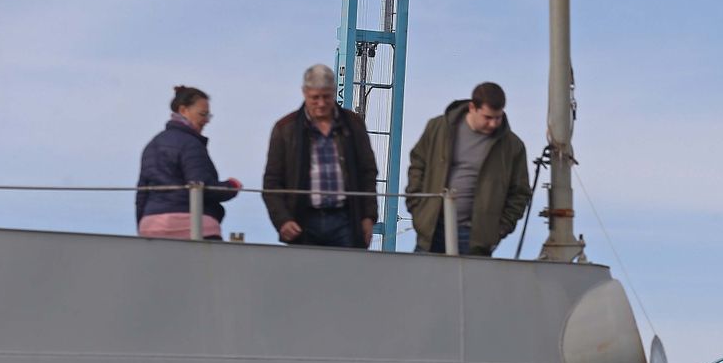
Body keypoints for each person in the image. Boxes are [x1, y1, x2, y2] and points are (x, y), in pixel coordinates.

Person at [406, 82, 531, 256]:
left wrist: (499, 229)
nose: (493, 123)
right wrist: (417, 208)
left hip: (476, 238)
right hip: (432, 230)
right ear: (472, 108)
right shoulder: (438, 128)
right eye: (488, 117)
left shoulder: (512, 146)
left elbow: (520, 192)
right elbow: (417, 164)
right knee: (423, 274)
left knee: (470, 276)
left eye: (498, 117)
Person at [262, 64, 378, 248]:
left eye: (326, 97)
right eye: (315, 98)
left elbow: (368, 173)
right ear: (304, 93)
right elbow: (272, 181)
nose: (321, 103)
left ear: (334, 92)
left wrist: (368, 216)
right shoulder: (285, 129)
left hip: (346, 219)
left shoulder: (354, 124)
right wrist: (282, 220)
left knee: (348, 267)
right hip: (303, 220)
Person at [136, 86, 242, 240]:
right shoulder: (191, 144)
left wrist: (141, 226)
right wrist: (232, 186)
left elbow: (142, 194)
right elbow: (202, 186)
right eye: (203, 114)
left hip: (150, 225)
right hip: (191, 224)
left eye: (208, 115)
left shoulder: (151, 145)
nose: (206, 120)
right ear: (183, 110)